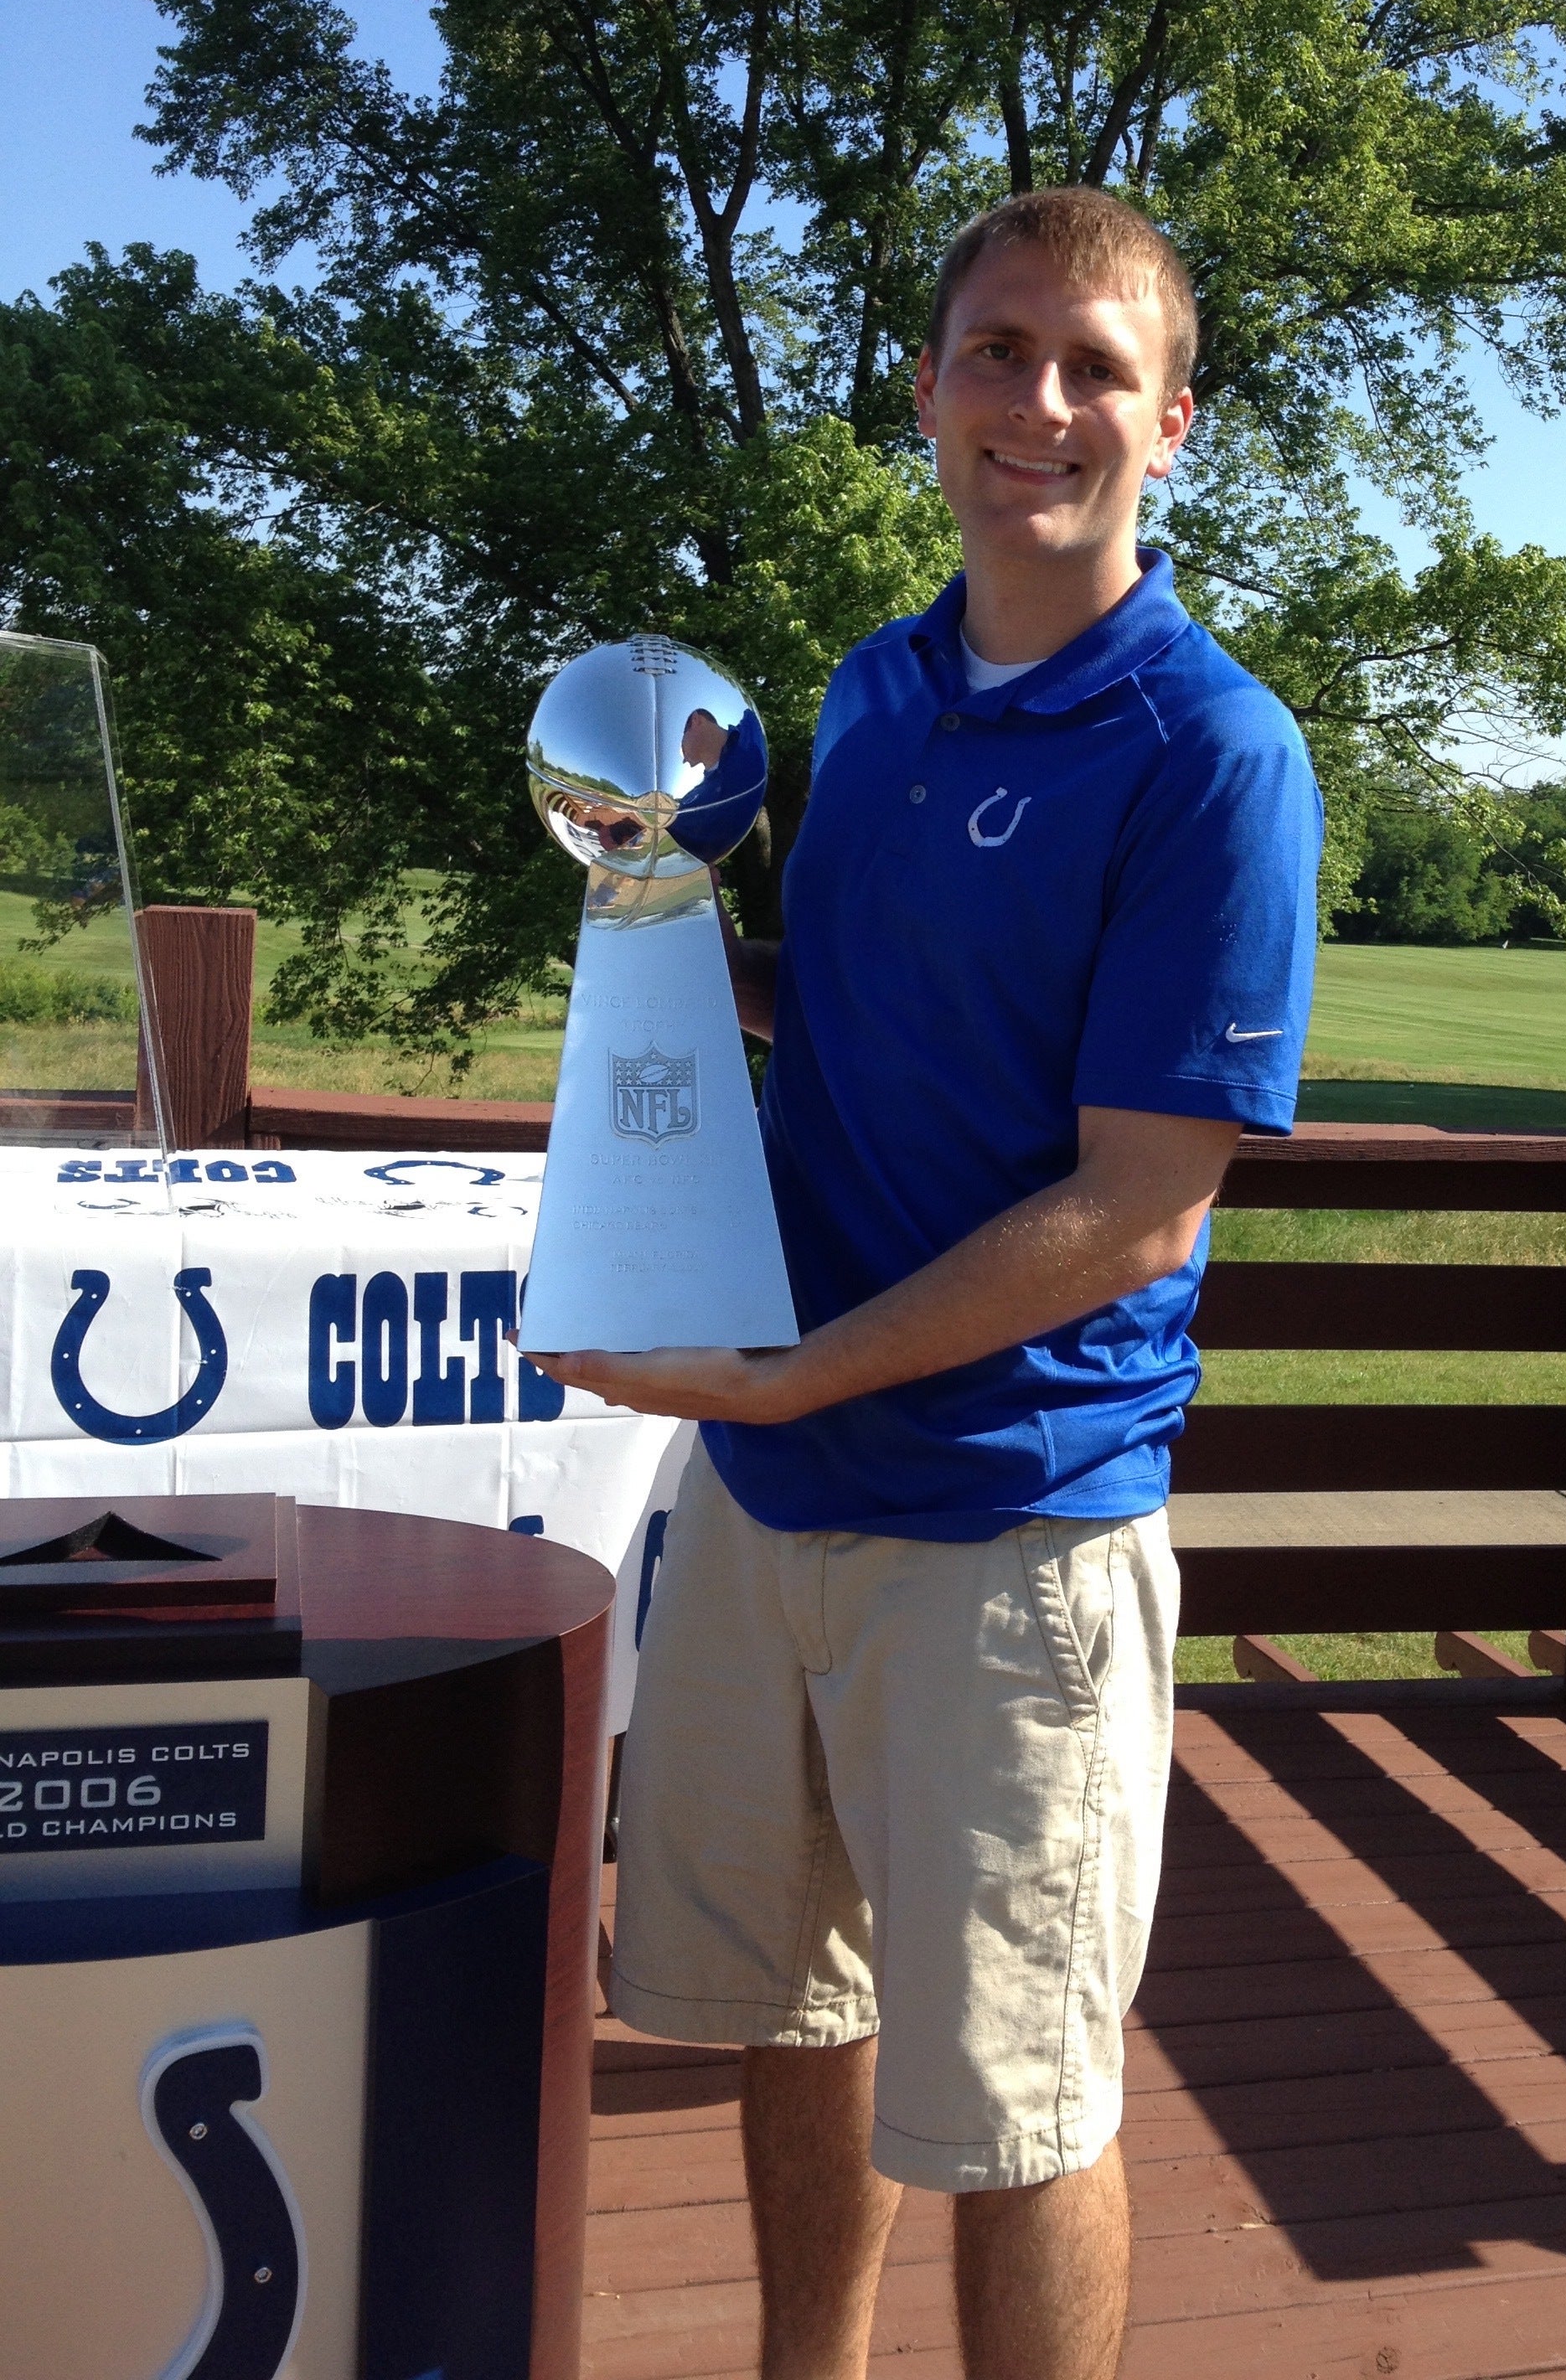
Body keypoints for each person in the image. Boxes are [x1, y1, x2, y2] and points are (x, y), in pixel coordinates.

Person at [528, 188, 1323, 2380]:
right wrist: (661, 941)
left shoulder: (1211, 753)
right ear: (929, 391)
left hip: (1007, 1530)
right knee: (796, 2012)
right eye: (998, 351)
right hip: (776, 1507)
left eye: (1093, 367)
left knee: (1018, 2110)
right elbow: (865, 1019)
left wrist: (786, 1382)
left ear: (1173, 421)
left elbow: (1140, 1204)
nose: (1038, 404)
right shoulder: (869, 700)